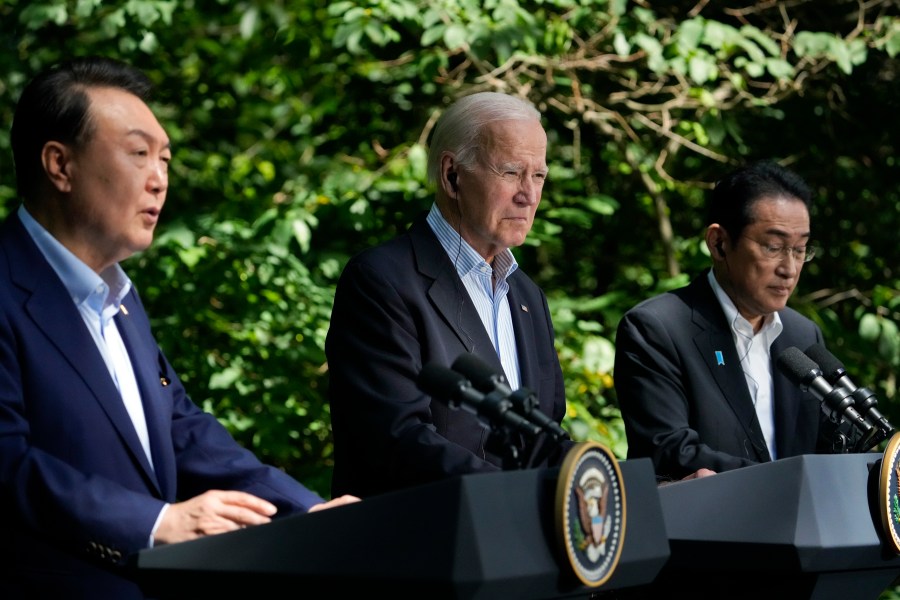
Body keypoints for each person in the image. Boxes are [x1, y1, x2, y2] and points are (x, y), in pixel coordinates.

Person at [0, 56, 358, 599]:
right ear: (59, 165)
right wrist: (155, 523)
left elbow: (181, 428)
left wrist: (307, 510)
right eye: (139, 153)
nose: (160, 179)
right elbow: (8, 462)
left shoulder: (118, 296)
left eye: (165, 158)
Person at [325, 91, 572, 498]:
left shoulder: (527, 295)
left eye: (539, 176)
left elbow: (543, 441)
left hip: (521, 545)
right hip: (419, 547)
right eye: (511, 173)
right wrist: (522, 496)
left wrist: (627, 483)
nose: (529, 195)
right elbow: (396, 440)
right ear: (452, 175)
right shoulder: (381, 280)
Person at [614, 160, 831, 482]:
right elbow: (671, 450)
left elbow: (829, 448)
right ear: (719, 243)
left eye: (800, 250)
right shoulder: (657, 328)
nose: (790, 268)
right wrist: (787, 483)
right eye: (773, 247)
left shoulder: (802, 335)